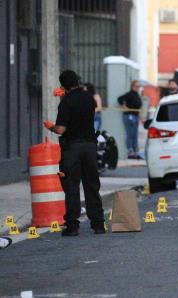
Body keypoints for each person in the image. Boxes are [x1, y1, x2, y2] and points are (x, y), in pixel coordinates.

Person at [44, 70, 106, 236]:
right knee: (92, 185)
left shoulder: (66, 102)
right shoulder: (89, 98)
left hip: (72, 149)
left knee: (71, 186)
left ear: (63, 85)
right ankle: (98, 224)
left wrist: (50, 126)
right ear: (78, 82)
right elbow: (81, 115)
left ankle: (72, 226)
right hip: (90, 147)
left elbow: (61, 129)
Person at [118, 81, 143, 159]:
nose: (138, 88)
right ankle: (130, 151)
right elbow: (120, 99)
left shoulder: (137, 95)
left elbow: (138, 108)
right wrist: (124, 106)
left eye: (139, 86)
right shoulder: (129, 94)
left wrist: (141, 118)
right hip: (129, 116)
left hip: (135, 116)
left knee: (135, 134)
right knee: (130, 134)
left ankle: (135, 151)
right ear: (132, 86)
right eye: (136, 86)